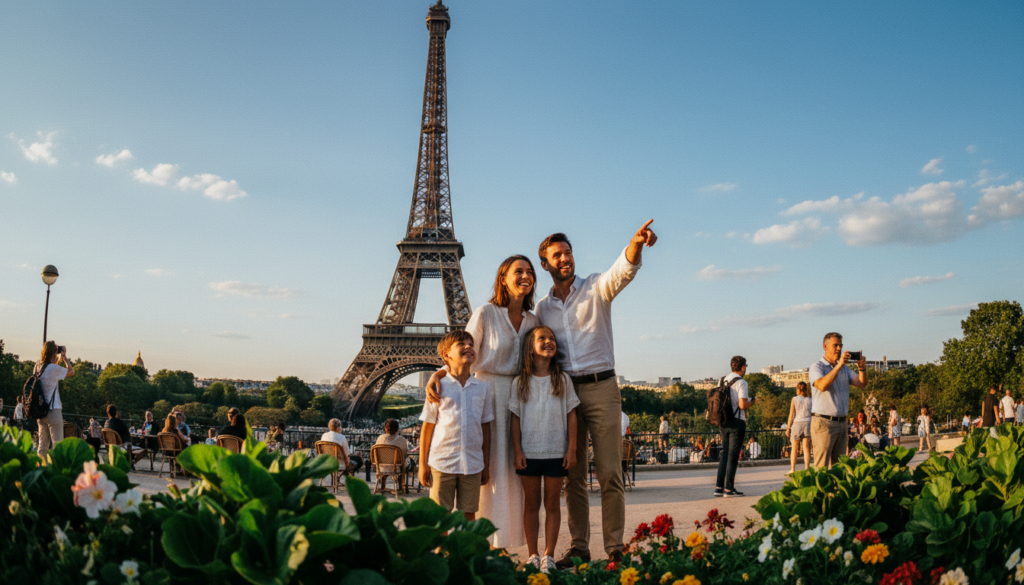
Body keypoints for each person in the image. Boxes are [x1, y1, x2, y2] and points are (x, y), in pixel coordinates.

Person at [534, 221, 657, 567]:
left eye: (568, 252)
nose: (565, 258)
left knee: (609, 473)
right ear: (545, 264)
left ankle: (615, 548)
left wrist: (635, 244)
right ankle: (580, 547)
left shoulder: (595, 288)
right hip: (565, 394)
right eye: (557, 255)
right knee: (572, 476)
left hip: (603, 388)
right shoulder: (542, 310)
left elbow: (623, 271)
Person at [424, 255, 538, 549]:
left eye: (530, 272)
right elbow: (462, 349)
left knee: (511, 475)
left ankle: (505, 542)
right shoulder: (486, 312)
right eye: (518, 271)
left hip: (518, 400)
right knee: (487, 473)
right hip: (483, 393)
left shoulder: (533, 320)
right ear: (503, 278)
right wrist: (437, 375)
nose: (525, 276)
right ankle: (480, 544)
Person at [509, 325, 579, 573]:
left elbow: (572, 416)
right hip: (529, 452)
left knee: (551, 505)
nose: (549, 341)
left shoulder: (563, 380)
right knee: (531, 504)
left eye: (552, 338)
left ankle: (549, 554)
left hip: (556, 450)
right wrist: (517, 451)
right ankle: (533, 554)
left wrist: (571, 449)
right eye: (542, 338)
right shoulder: (520, 382)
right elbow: (515, 419)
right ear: (530, 347)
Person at [418, 331, 494, 522]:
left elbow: (486, 427)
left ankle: (464, 552)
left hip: (473, 463)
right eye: (461, 343)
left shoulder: (483, 388)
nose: (468, 346)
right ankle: (440, 552)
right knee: (440, 516)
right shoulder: (438, 386)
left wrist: (486, 464)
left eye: (471, 343)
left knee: (469, 514)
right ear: (446, 355)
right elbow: (427, 428)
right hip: (442, 461)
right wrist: (422, 464)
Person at [809, 332, 867, 469]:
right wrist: (839, 365)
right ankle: (820, 491)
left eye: (840, 346)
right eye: (835, 345)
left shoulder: (844, 369)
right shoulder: (817, 367)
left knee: (839, 466)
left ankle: (835, 491)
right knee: (821, 466)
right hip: (824, 422)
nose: (839, 349)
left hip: (841, 422)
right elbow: (822, 385)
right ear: (825, 346)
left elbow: (861, 383)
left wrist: (862, 369)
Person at [715, 356, 754, 497]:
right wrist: (753, 402)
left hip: (723, 421)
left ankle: (718, 487)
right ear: (743, 367)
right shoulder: (742, 382)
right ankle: (729, 489)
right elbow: (742, 405)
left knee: (724, 455)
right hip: (737, 422)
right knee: (733, 456)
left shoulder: (722, 379)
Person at [33, 341, 75, 461]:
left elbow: (50, 367)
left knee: (42, 446)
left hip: (40, 411)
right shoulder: (53, 368)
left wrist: (56, 355)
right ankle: (57, 471)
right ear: (53, 353)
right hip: (53, 410)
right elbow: (71, 372)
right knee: (58, 445)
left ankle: (40, 471)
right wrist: (64, 357)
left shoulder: (37, 366)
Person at [786, 382, 812, 473]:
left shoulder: (794, 399)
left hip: (797, 423)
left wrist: (788, 427)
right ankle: (806, 468)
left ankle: (793, 469)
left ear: (798, 389)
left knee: (794, 448)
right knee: (806, 447)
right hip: (808, 423)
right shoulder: (810, 400)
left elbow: (791, 414)